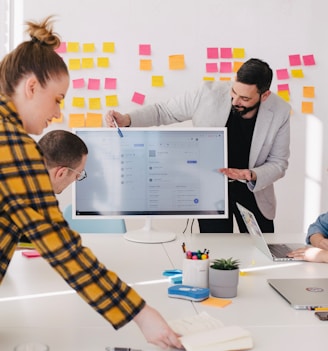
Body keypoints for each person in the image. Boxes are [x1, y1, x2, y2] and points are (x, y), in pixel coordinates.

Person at [0, 16, 182, 350]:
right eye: (57, 99)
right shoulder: (13, 145)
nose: (57, 114)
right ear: (31, 87)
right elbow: (60, 245)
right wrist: (141, 313)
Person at [106, 58, 291, 233]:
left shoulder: (280, 111)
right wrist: (128, 119)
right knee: (216, 254)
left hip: (253, 190)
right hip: (211, 189)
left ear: (264, 95)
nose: (235, 101)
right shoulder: (207, 93)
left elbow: (279, 162)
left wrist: (251, 175)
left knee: (262, 253)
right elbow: (163, 111)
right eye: (233, 92)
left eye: (245, 98)